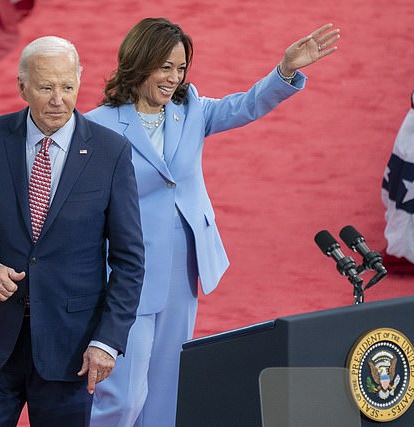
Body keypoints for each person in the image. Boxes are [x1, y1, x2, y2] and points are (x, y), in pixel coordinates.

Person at [86, 18, 340, 427]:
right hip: (127, 274)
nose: (174, 78)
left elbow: (245, 106)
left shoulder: (191, 110)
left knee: (167, 392)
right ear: (138, 63)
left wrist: (286, 71)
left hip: (183, 268)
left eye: (181, 67)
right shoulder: (98, 125)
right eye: (164, 67)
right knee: (123, 397)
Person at [0, 36, 144, 427]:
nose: (58, 100)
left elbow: (129, 261)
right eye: (47, 87)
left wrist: (107, 342)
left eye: (67, 87)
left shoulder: (111, 152)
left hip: (71, 351)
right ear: (22, 87)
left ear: (79, 83)